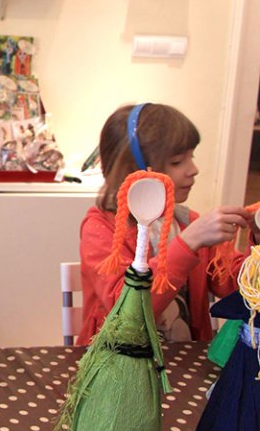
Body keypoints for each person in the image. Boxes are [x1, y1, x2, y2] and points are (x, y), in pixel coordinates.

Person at [78, 103, 256, 345]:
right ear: (136, 171)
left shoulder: (187, 222)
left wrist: (257, 243)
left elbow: (234, 285)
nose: (193, 170)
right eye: (177, 162)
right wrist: (188, 243)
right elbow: (127, 314)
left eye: (191, 157)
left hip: (183, 359)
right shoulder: (100, 228)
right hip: (114, 361)